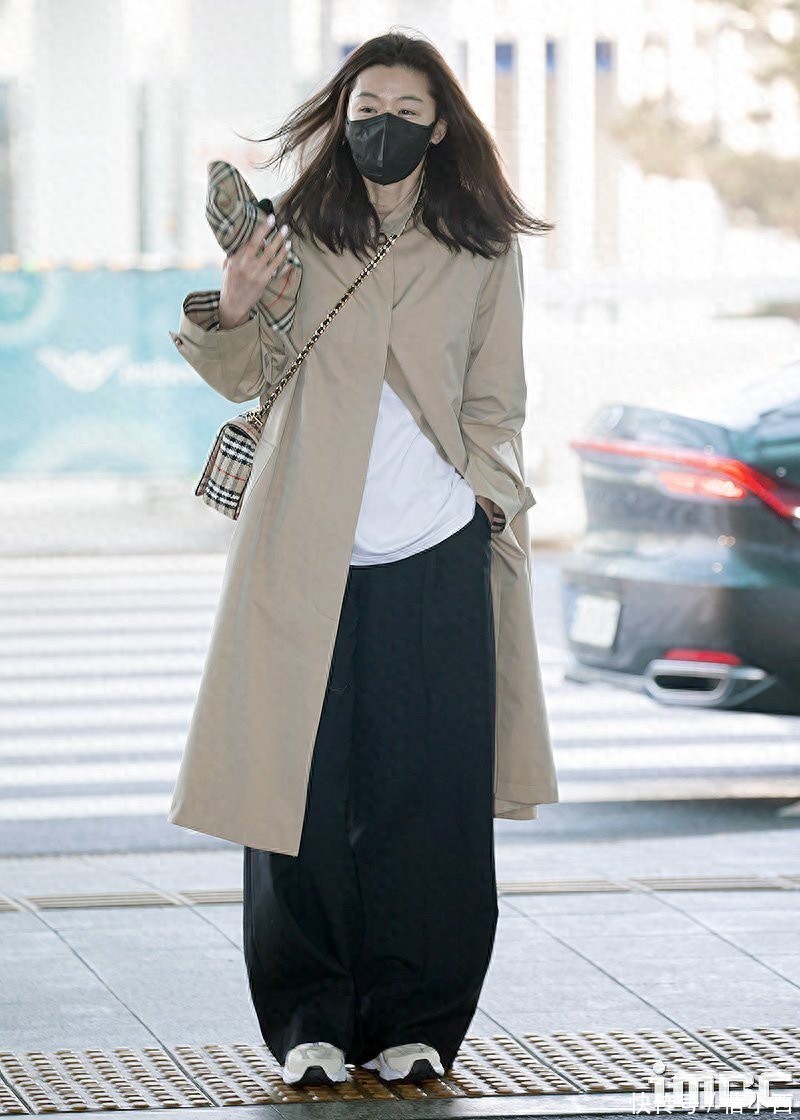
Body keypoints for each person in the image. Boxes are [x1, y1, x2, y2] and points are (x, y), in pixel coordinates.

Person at [167, 29, 558, 1091]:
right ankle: (310, 1020)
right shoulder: (298, 230)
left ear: (441, 126)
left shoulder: (481, 244)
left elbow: (498, 397)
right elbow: (247, 371)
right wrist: (235, 302)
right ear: (341, 117)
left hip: (436, 546)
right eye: (366, 107)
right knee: (296, 790)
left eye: (405, 109)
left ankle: (415, 1018)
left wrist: (480, 497)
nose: (383, 124)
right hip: (305, 548)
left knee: (429, 794)